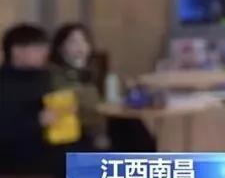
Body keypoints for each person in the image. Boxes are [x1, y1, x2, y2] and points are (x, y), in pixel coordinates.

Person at [0, 23, 90, 178]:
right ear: (17, 51)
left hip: (45, 143)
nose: (44, 53)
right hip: (14, 153)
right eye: (38, 48)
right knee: (77, 162)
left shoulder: (42, 76)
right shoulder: (4, 84)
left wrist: (64, 111)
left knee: (91, 148)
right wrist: (38, 121)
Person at [49, 22, 157, 152]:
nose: (80, 46)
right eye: (73, 42)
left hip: (103, 121)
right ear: (60, 48)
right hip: (81, 129)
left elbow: (112, 96)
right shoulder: (55, 74)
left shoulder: (93, 71)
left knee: (134, 126)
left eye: (84, 41)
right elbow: (81, 103)